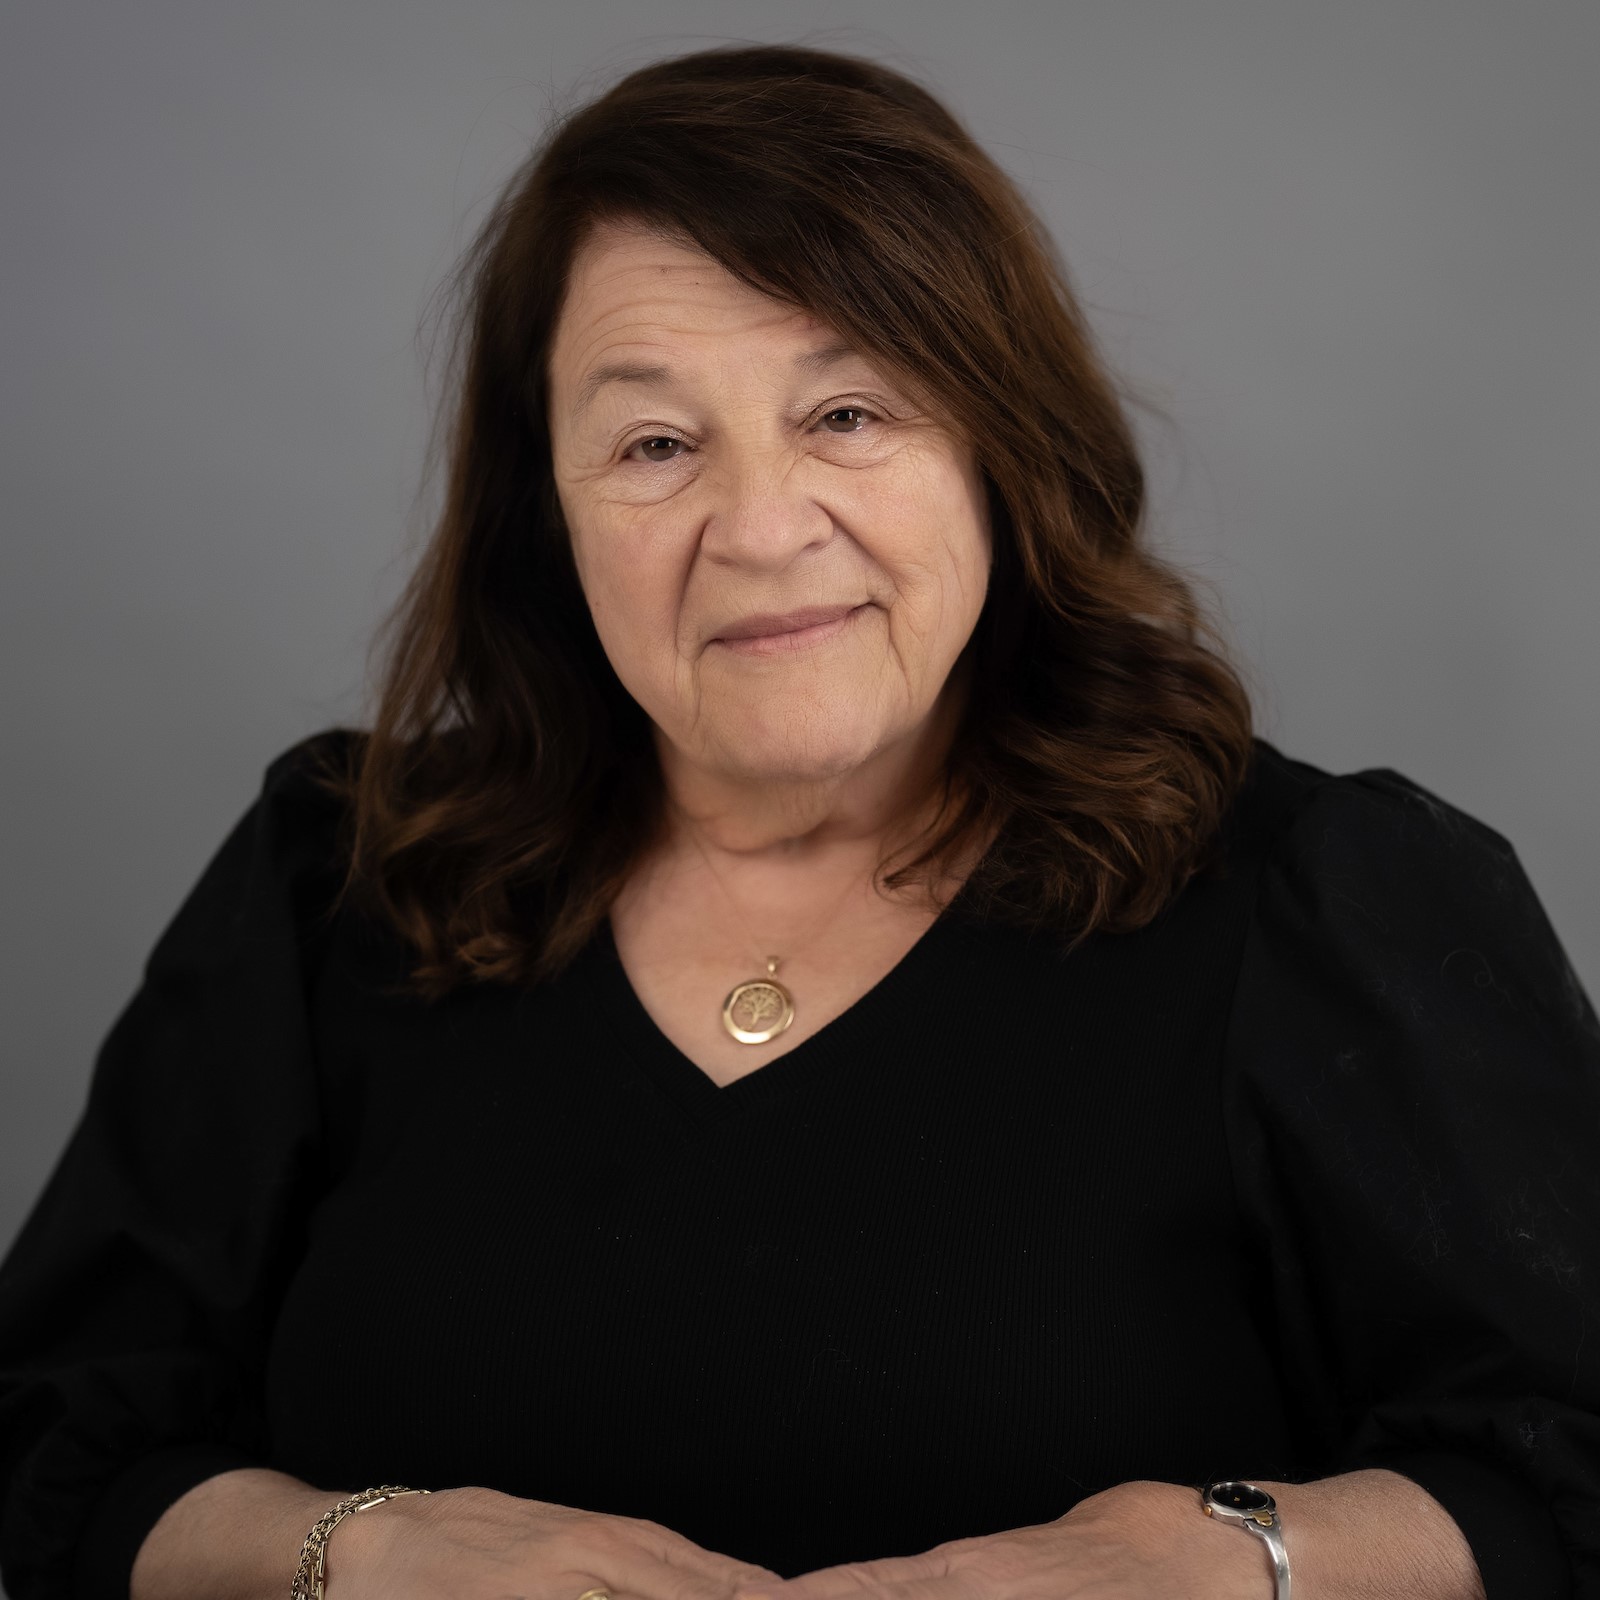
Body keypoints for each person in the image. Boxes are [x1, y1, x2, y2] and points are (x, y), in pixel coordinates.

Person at [1, 40, 1596, 1600]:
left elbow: (1567, 1462)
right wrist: (360, 1551)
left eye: (848, 413)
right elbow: (52, 1450)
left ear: (1001, 446)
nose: (761, 529)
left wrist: (1220, 1561)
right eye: (655, 443)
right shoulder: (341, 879)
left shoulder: (1333, 899)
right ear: (546, 515)